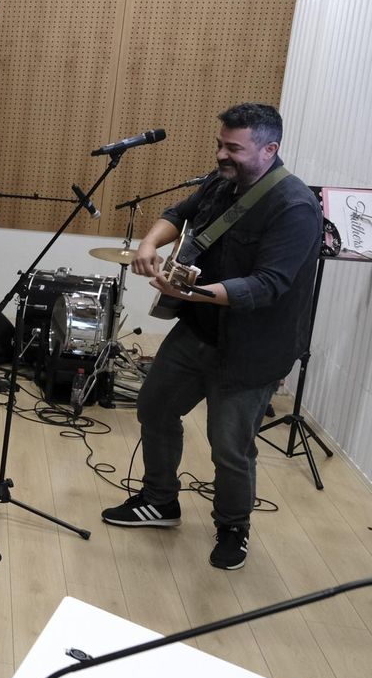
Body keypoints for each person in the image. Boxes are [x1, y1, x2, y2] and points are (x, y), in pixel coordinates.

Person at [101, 103, 320, 570]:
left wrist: (194, 292)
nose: (221, 154)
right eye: (220, 143)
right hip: (198, 330)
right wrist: (146, 245)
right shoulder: (222, 183)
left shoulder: (294, 207)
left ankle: (233, 527)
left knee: (230, 447)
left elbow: (268, 285)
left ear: (270, 149)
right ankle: (161, 501)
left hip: (252, 349)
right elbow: (178, 213)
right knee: (155, 407)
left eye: (233, 148)